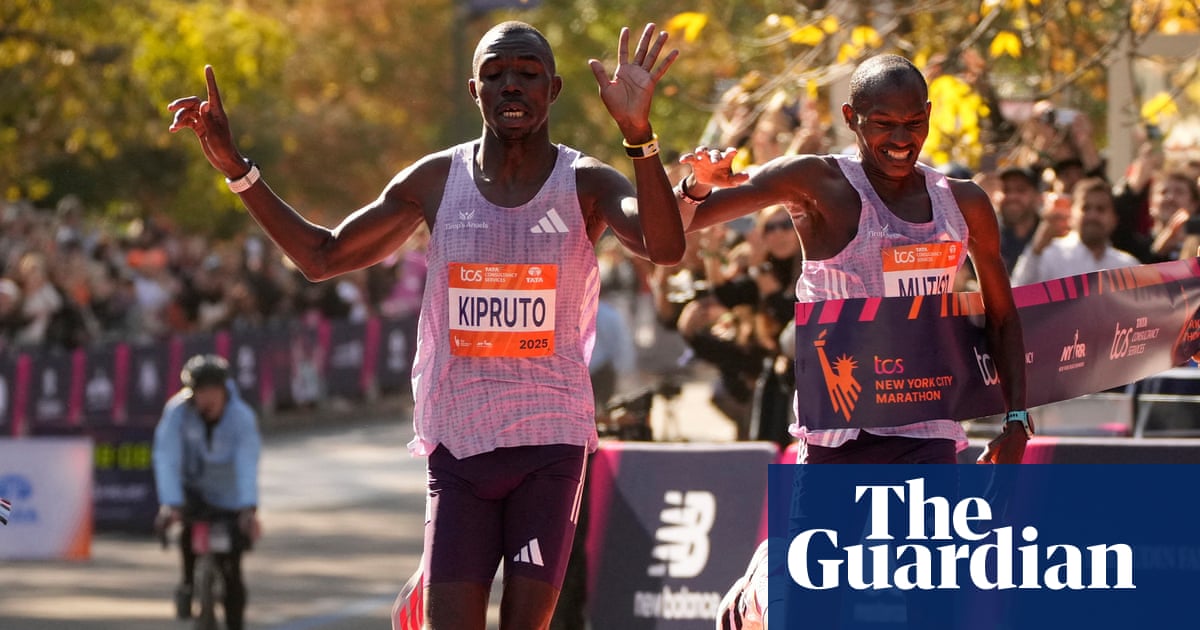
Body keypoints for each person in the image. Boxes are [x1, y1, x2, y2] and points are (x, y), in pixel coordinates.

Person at [168, 21, 685, 630]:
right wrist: (238, 169)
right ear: (474, 90)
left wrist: (638, 136)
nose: (510, 85)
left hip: (549, 443)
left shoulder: (586, 183)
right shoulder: (436, 180)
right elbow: (321, 257)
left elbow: (664, 246)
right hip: (458, 446)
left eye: (527, 74)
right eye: (494, 74)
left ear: (553, 89)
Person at [686, 54, 1031, 630]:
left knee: (933, 610)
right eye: (883, 124)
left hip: (925, 431)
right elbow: (683, 223)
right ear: (851, 118)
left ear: (928, 116)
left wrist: (1016, 418)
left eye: (913, 123)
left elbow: (1002, 316)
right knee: (813, 615)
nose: (901, 139)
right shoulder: (817, 183)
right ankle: (764, 586)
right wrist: (694, 183)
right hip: (837, 436)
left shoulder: (962, 201)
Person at [152, 354, 261, 630]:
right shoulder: (177, 412)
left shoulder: (242, 417)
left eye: (213, 391)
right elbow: (166, 457)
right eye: (200, 392)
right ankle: (189, 583)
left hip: (230, 497)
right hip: (193, 492)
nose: (207, 399)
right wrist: (170, 503)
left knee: (232, 569)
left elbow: (247, 463)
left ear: (224, 390)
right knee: (189, 534)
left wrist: (248, 507)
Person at [1010, 177, 1140, 285]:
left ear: (1114, 219)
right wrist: (1036, 249)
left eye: (1101, 209)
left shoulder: (1127, 267)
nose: (1092, 215)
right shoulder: (1049, 255)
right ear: (1071, 214)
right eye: (1085, 208)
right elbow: (1018, 296)